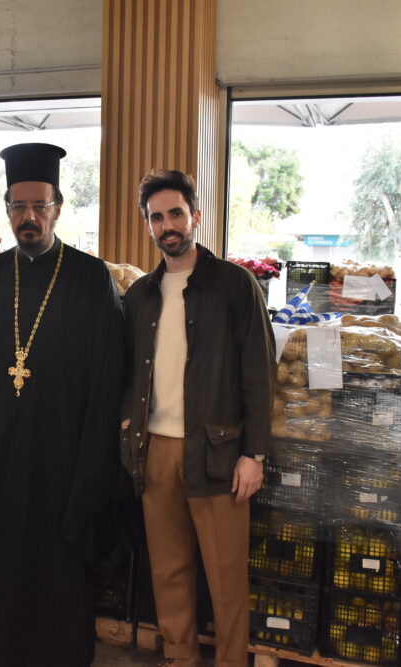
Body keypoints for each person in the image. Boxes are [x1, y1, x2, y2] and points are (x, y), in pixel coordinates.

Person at [0, 143, 124, 667]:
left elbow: (108, 381)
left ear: (57, 208)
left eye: (40, 206)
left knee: (53, 579)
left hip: (59, 463)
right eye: (19, 206)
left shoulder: (91, 278)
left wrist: (92, 469)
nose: (29, 217)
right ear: (7, 210)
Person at [121, 169, 276, 667]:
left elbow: (259, 375)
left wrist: (254, 454)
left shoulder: (234, 285)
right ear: (148, 224)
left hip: (217, 453)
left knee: (226, 576)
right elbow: (128, 373)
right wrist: (126, 425)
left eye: (176, 213)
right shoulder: (140, 295)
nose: (167, 225)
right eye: (157, 217)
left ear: (196, 216)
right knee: (168, 570)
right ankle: (179, 658)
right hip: (155, 452)